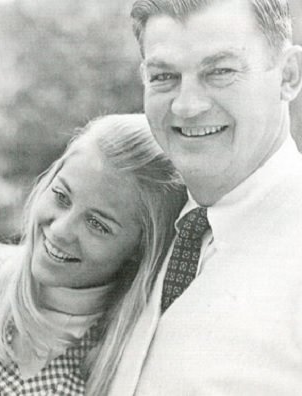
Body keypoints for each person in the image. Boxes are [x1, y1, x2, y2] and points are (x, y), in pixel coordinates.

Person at [0, 114, 186, 395]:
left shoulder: (142, 348)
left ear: (140, 249)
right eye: (61, 196)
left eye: (97, 224)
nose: (59, 230)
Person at [98, 0, 302, 395]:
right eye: (163, 76)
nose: (187, 105)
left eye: (220, 71)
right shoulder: (152, 224)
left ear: (289, 76)